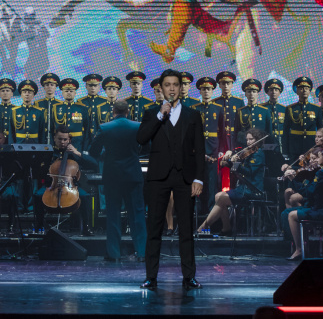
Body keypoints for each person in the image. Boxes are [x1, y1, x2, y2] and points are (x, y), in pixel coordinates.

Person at [137, 69, 205, 290]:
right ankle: (151, 277)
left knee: (186, 230)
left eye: (176, 84)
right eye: (167, 85)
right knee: (154, 229)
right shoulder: (151, 113)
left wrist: (199, 179)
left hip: (185, 177)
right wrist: (160, 116)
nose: (172, 88)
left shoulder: (193, 115)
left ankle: (189, 277)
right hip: (158, 177)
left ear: (181, 88)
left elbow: (199, 150)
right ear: (161, 88)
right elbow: (141, 138)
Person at [89, 100, 146, 261]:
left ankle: (114, 254)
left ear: (113, 111)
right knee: (137, 215)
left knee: (113, 215)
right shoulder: (137, 126)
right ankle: (142, 252)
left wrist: (106, 153)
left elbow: (93, 151)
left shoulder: (105, 128)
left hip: (113, 176)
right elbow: (147, 147)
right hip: (133, 176)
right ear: (128, 112)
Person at [197, 128, 267, 236]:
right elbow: (237, 153)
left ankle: (203, 227)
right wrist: (230, 156)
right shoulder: (248, 152)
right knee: (218, 196)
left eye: (251, 139)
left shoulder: (258, 154)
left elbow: (249, 173)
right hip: (243, 188)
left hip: (253, 189)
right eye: (247, 139)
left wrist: (234, 164)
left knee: (221, 198)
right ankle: (226, 228)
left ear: (257, 140)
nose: (248, 142)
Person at [33, 125, 98, 235]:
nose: (62, 142)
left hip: (70, 187)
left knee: (85, 197)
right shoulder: (49, 153)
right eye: (60, 139)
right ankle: (39, 226)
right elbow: (39, 169)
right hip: (52, 187)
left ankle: (86, 228)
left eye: (65, 139)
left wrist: (78, 153)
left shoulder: (74, 154)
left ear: (69, 140)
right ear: (54, 138)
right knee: (37, 195)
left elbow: (94, 164)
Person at [283, 146, 323, 261]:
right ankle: (301, 245)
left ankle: (299, 249)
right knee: (286, 213)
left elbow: (309, 192)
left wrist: (295, 180)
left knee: (291, 215)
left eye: (319, 157)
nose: (317, 160)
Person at [194, 76, 226, 217]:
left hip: (213, 150)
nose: (206, 91)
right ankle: (199, 211)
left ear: (213, 91)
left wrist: (221, 150)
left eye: (208, 89)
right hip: (199, 150)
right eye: (203, 89)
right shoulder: (195, 109)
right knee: (199, 180)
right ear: (200, 91)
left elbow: (223, 132)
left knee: (213, 182)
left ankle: (211, 211)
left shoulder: (218, 108)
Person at [283, 76, 319, 162]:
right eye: (301, 88)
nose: (304, 90)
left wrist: (319, 147)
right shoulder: (290, 108)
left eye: (307, 88)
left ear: (310, 91)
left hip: (311, 146)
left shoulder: (316, 109)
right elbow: (285, 131)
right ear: (297, 91)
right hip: (295, 146)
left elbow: (320, 129)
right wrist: (285, 150)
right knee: (294, 168)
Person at [52, 78, 90, 151]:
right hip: (60, 144)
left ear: (75, 93)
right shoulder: (55, 108)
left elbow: (87, 130)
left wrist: (85, 149)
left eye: (71, 91)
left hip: (77, 144)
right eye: (66, 91)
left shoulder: (82, 108)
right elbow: (51, 129)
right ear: (62, 93)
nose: (69, 93)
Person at [34, 73, 63, 145]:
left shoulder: (61, 104)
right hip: (41, 138)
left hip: (56, 139)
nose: (49, 87)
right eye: (47, 85)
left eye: (52, 85)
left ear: (55, 87)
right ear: (44, 87)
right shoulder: (37, 103)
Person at [262, 79, 286, 155]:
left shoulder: (284, 109)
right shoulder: (262, 108)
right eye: (271, 90)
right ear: (267, 92)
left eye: (276, 90)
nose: (274, 92)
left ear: (280, 92)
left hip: (280, 141)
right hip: (267, 140)